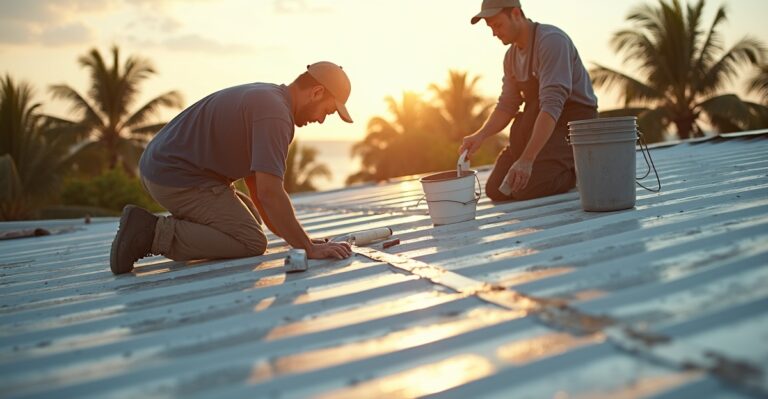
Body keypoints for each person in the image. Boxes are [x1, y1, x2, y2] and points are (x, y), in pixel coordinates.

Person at [110, 61, 354, 275]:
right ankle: (149, 233)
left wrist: (297, 240)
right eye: (327, 111)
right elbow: (270, 193)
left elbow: (257, 187)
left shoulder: (269, 97)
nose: (321, 119)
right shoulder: (276, 115)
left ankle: (178, 225)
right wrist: (308, 248)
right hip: (175, 177)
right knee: (250, 241)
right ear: (317, 92)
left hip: (159, 168)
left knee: (251, 218)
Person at [460, 0, 598, 201]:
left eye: (498, 25)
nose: (494, 33)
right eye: (491, 28)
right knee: (497, 189)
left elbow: (552, 104)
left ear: (516, 14)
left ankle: (574, 170)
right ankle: (545, 164)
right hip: (538, 121)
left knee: (526, 188)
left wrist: (527, 159)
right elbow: (507, 105)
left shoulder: (551, 41)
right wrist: (480, 136)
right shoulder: (510, 57)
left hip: (573, 124)